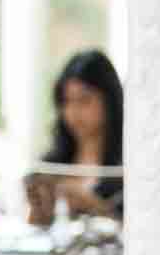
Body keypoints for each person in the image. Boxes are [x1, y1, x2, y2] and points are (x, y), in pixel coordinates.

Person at [25, 49, 124, 226]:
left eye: (84, 100)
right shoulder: (51, 166)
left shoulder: (126, 171)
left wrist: (94, 206)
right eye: (66, 101)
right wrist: (40, 207)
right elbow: (34, 231)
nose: (73, 112)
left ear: (109, 100)